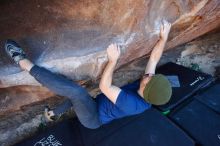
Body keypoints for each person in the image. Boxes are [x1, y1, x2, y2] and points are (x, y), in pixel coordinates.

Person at [4, 20, 172, 129]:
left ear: (146, 91)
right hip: (97, 104)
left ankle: (23, 63)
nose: (148, 75)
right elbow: (154, 61)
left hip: (92, 118)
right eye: (152, 76)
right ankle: (52, 114)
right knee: (78, 97)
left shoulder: (132, 104)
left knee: (76, 92)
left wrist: (113, 60)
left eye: (149, 78)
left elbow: (104, 86)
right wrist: (163, 38)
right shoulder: (149, 89)